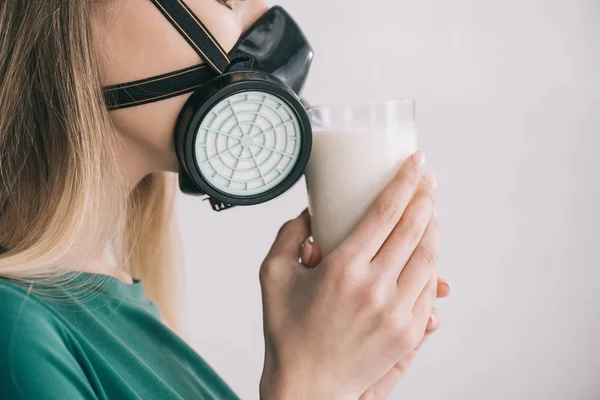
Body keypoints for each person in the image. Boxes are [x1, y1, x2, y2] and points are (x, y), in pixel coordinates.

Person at [0, 0, 450, 399]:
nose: (272, 24)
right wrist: (314, 387)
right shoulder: (15, 331)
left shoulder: (115, 312)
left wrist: (343, 385)